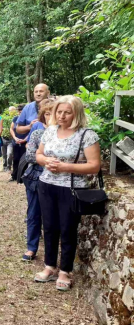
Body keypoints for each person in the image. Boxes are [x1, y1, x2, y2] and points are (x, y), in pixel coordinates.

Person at [34, 96, 100, 291]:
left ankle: (65, 271)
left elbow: (94, 166)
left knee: (68, 229)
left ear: (76, 113)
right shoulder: (50, 131)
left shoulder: (86, 135)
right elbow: (39, 154)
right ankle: (49, 266)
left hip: (72, 187)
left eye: (67, 112)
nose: (61, 116)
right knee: (50, 227)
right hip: (47, 185)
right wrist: (46, 162)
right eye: (59, 112)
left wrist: (65, 166)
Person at [21, 99, 54, 262]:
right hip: (35, 177)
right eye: (47, 113)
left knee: (53, 215)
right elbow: (29, 156)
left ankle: (52, 251)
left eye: (53, 113)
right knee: (34, 213)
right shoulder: (37, 133)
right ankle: (31, 248)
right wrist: (50, 160)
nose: (51, 116)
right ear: (43, 116)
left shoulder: (67, 134)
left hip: (57, 179)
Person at [10, 104, 28, 182]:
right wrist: (14, 138)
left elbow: (31, 131)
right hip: (16, 141)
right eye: (19, 112)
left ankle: (23, 176)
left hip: (25, 142)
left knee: (24, 159)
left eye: (21, 112)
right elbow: (11, 129)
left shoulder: (28, 120)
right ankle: (14, 175)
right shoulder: (15, 119)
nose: (20, 113)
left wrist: (24, 139)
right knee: (15, 159)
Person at [2, 106, 16, 172]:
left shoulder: (16, 119)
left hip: (11, 139)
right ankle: (4, 167)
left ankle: (9, 167)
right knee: (4, 154)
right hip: (3, 138)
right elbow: (1, 126)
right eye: (10, 110)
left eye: (12, 110)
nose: (11, 112)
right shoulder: (5, 118)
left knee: (9, 154)